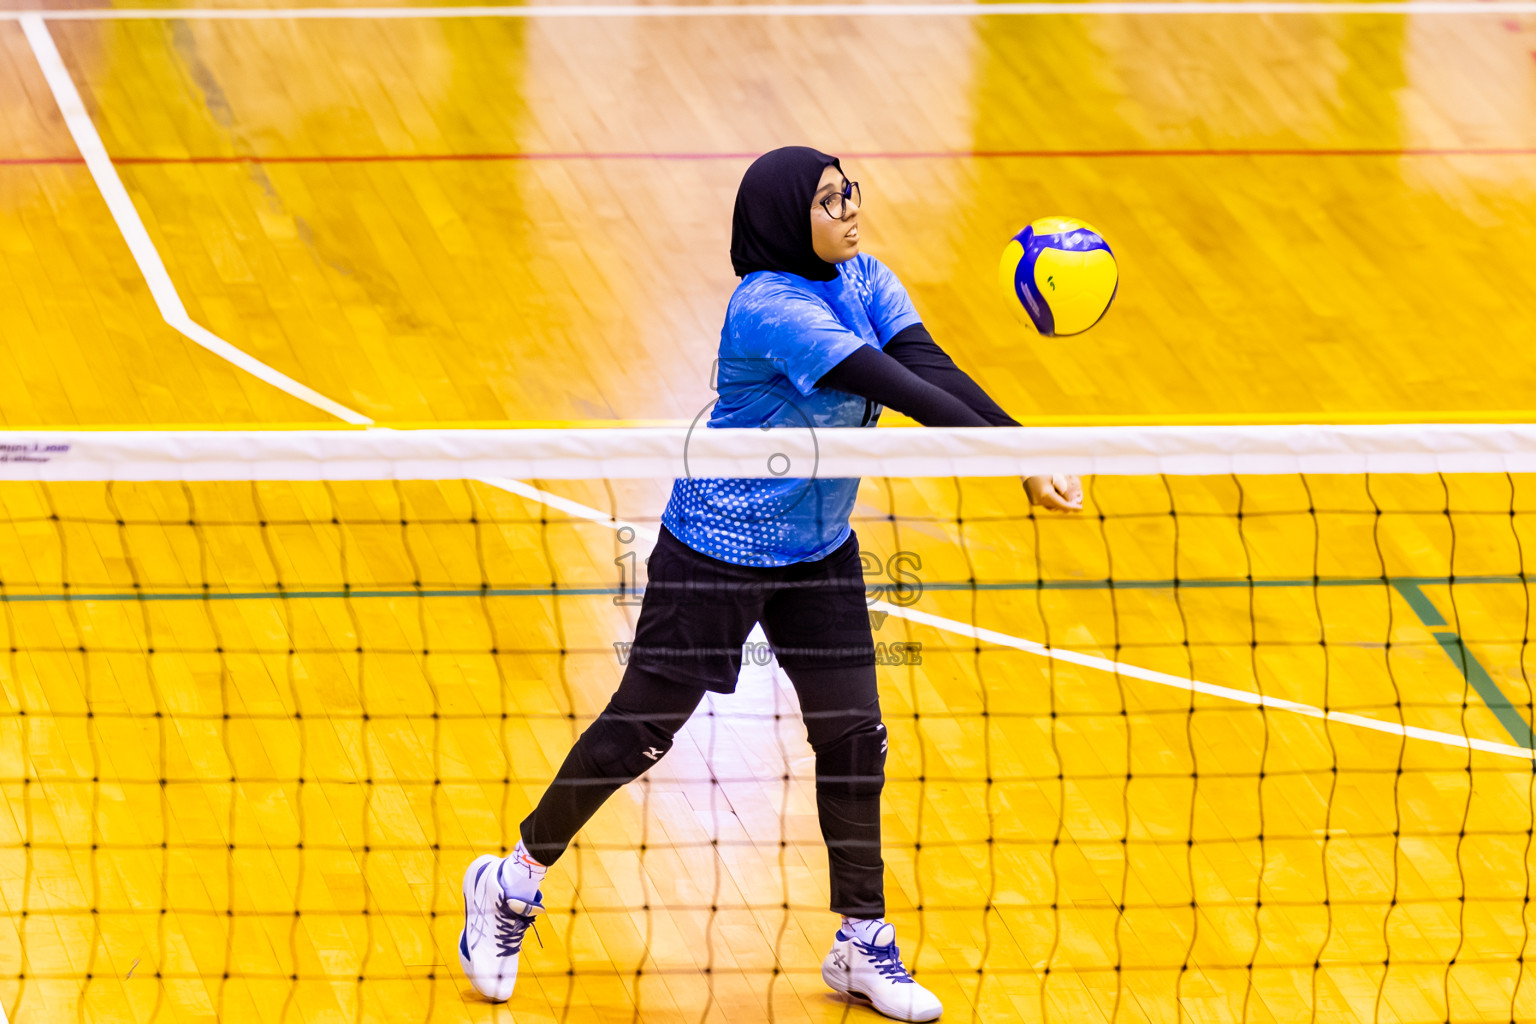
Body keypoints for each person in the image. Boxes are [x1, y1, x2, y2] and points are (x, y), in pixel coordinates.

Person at [459, 146, 1083, 1022]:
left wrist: (1027, 452)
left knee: (853, 738)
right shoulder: (769, 308)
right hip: (716, 549)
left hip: (818, 548)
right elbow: (890, 386)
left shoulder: (866, 277)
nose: (851, 210)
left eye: (850, 191)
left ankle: (860, 939)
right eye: (831, 201)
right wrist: (1018, 457)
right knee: (638, 734)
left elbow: (930, 365)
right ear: (791, 220)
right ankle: (509, 881)